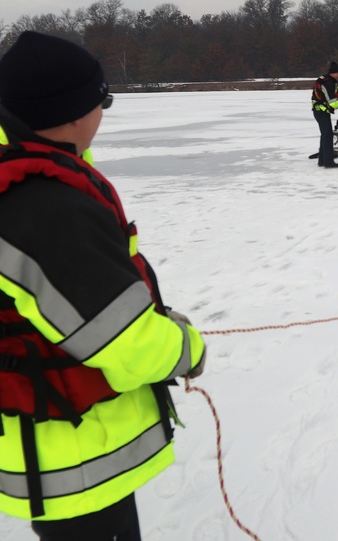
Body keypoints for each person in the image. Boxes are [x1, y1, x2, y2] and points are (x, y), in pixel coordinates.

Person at [0, 31, 206, 540]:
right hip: (70, 448)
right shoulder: (44, 207)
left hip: (55, 439)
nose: (103, 114)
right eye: (103, 101)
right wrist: (186, 348)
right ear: (70, 113)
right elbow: (123, 341)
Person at [311, 61, 338, 168]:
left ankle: (322, 160)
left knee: (325, 135)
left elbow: (335, 94)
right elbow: (333, 102)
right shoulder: (328, 83)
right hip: (321, 111)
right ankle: (328, 162)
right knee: (328, 135)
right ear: (333, 73)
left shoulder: (328, 81)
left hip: (320, 111)